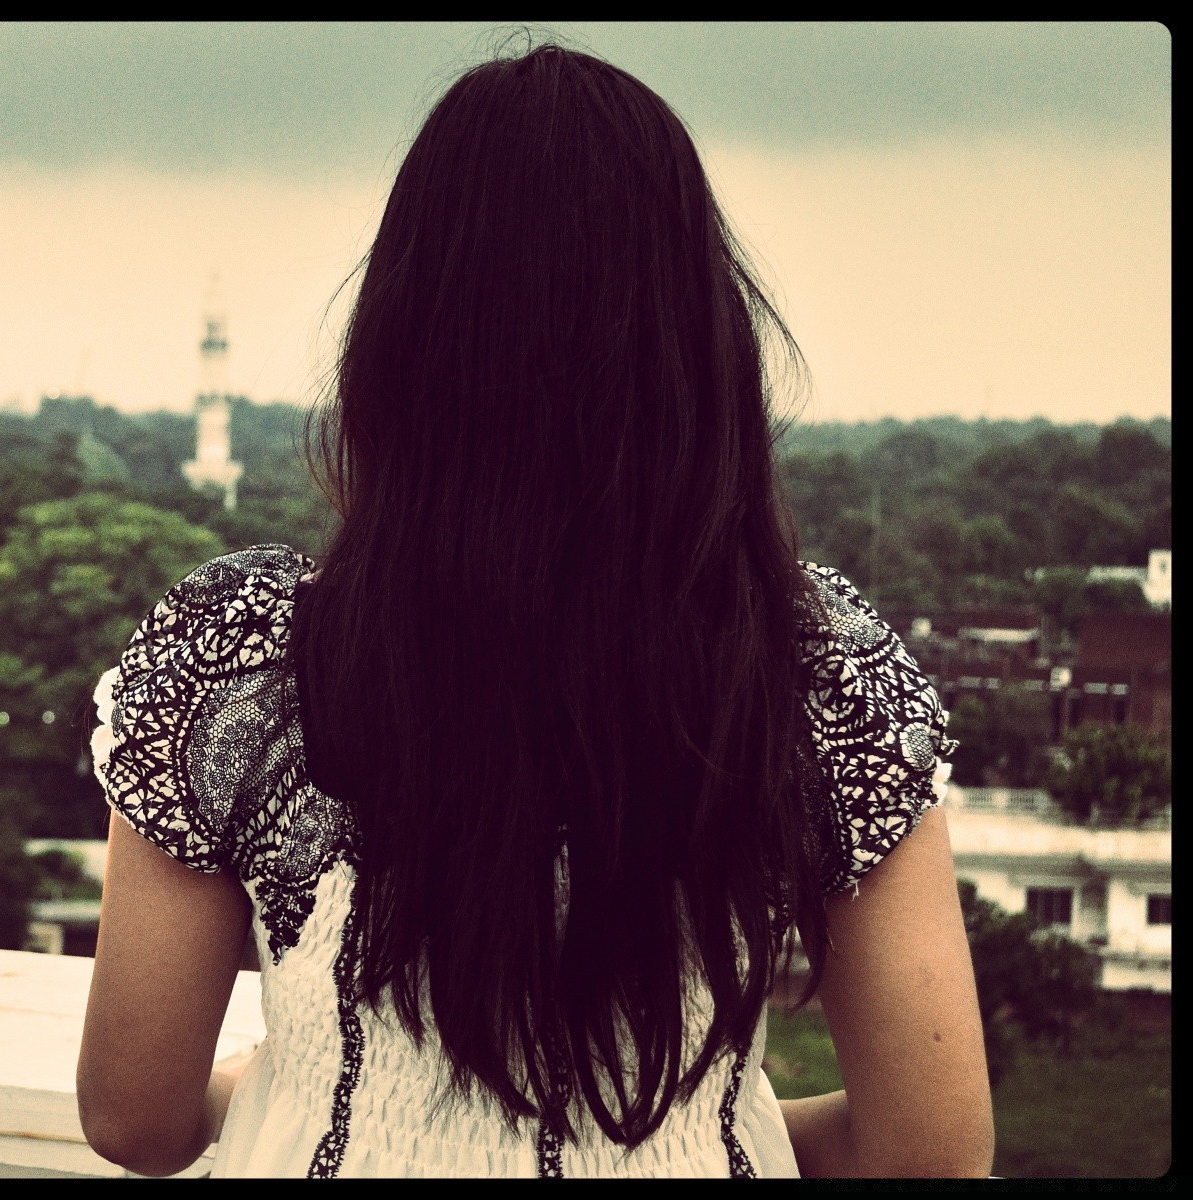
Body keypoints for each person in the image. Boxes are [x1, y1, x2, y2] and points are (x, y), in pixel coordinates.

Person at [75, 41, 992, 1179]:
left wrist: (301, 1083)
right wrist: (707, 1130)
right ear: (699, 348)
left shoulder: (242, 663)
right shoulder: (816, 676)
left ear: (400, 345)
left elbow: (135, 1117)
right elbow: (932, 1147)